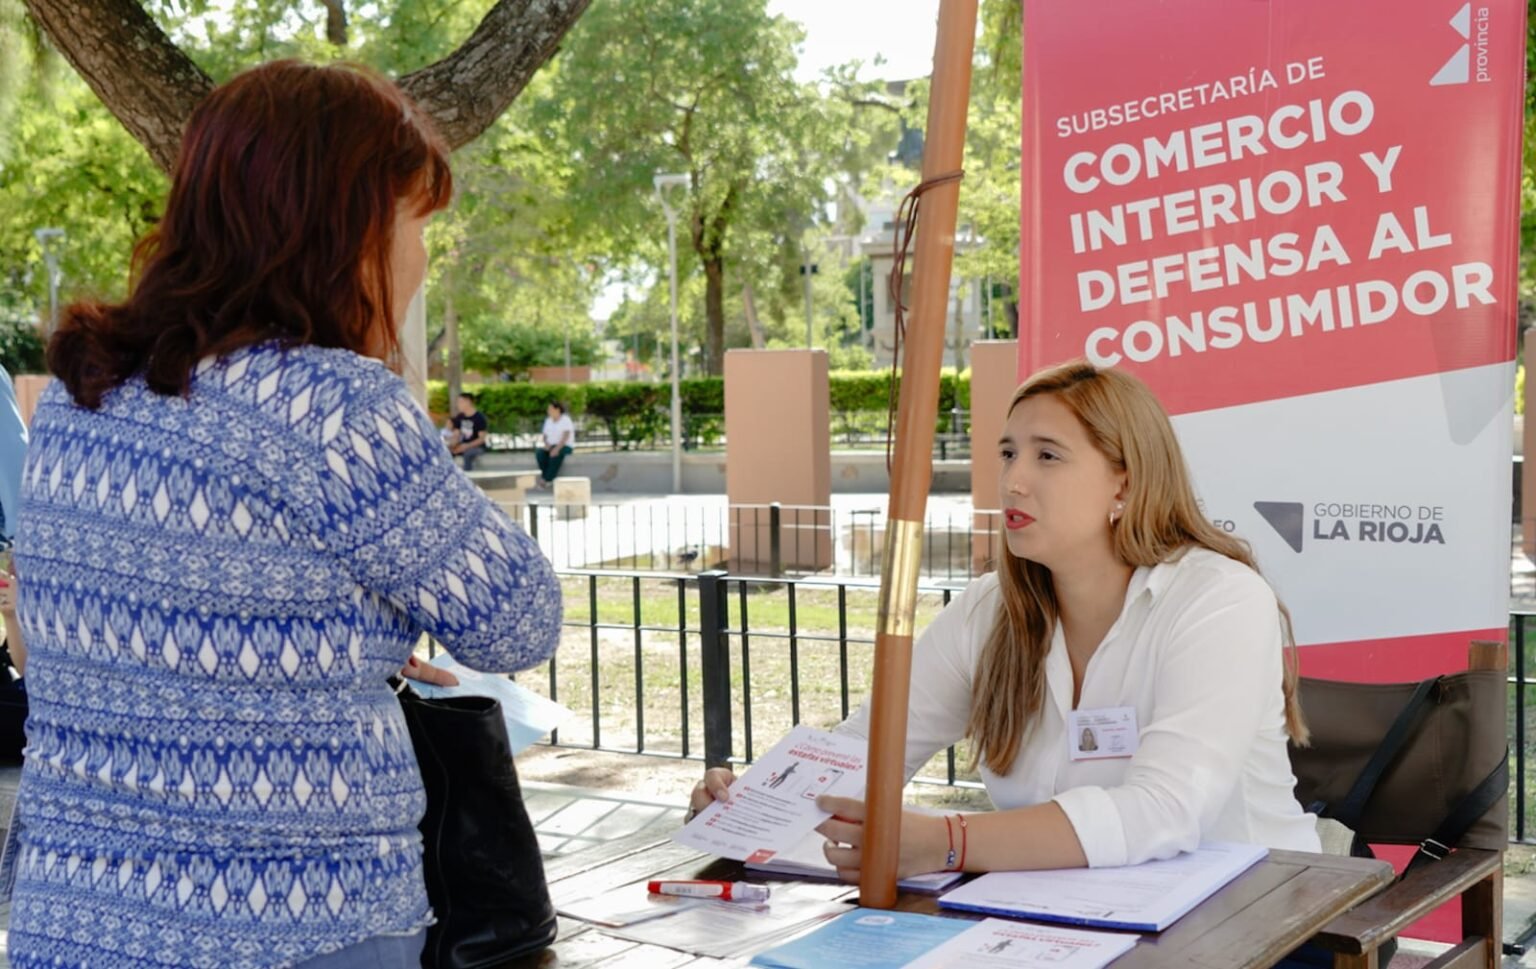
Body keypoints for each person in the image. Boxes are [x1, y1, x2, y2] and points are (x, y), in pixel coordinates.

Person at [8, 61, 563, 969]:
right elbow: (518, 619)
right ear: (348, 229)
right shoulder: (339, 409)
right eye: (418, 224)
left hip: (72, 913)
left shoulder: (82, 394)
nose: (422, 258)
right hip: (294, 918)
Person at [690, 360, 1319, 879]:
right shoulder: (991, 609)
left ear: (1124, 485)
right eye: (1008, 453)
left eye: (1048, 457)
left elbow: (1163, 810)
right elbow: (866, 751)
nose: (1013, 480)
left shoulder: (1219, 599)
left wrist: (951, 841)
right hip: (1060, 916)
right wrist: (753, 803)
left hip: (1254, 915)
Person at [534, 400, 575, 488]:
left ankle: (547, 480)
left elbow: (566, 435)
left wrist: (557, 448)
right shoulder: (548, 421)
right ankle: (546, 477)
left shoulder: (566, 420)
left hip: (564, 446)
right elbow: (545, 436)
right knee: (540, 453)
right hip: (551, 445)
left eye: (551, 409)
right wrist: (547, 444)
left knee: (554, 455)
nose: (548, 411)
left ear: (558, 410)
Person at [449, 392, 489, 470]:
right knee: (447, 452)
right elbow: (456, 434)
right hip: (462, 445)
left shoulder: (479, 418)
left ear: (468, 402)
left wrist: (466, 446)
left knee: (468, 454)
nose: (458, 405)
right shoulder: (460, 417)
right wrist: (452, 445)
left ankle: (468, 475)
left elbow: (481, 439)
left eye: (460, 402)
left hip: (477, 447)